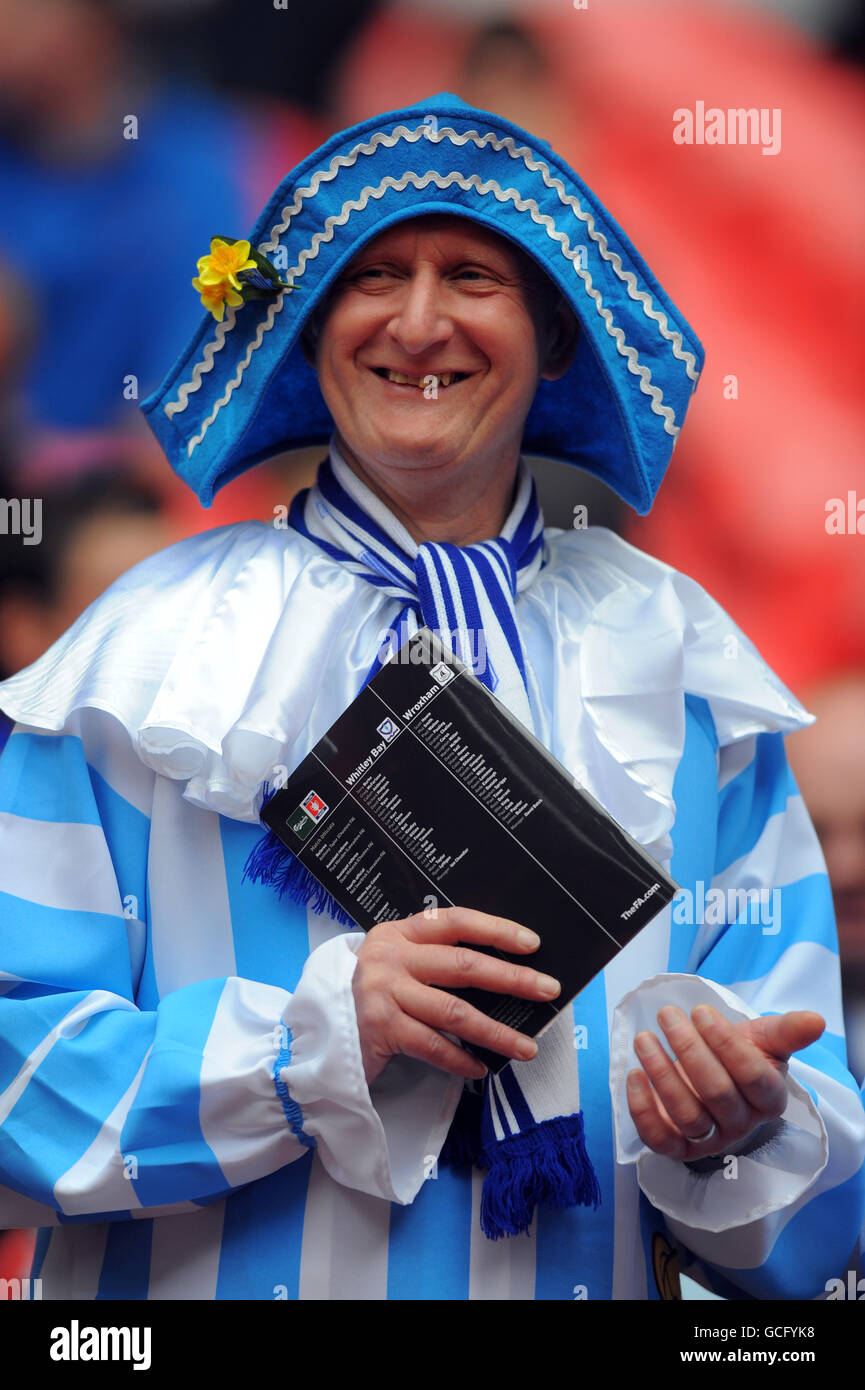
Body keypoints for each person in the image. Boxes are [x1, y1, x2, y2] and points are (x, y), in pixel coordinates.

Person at [0, 92, 862, 1301]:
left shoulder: (681, 670)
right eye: (373, 276)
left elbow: (818, 1192)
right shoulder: (141, 661)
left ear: (553, 336)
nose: (416, 323)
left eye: (471, 276)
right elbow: (12, 1084)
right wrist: (316, 1040)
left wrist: (740, 1125)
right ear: (305, 325)